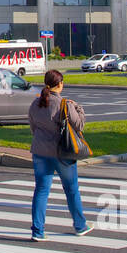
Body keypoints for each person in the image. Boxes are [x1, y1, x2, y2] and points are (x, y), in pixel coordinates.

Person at [27, 69, 94, 240]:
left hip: (40, 152)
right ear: (60, 84)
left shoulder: (36, 103)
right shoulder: (65, 103)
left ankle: (37, 231)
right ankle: (80, 225)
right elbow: (79, 125)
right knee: (71, 189)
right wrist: (78, 107)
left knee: (41, 190)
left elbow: (33, 127)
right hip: (62, 152)